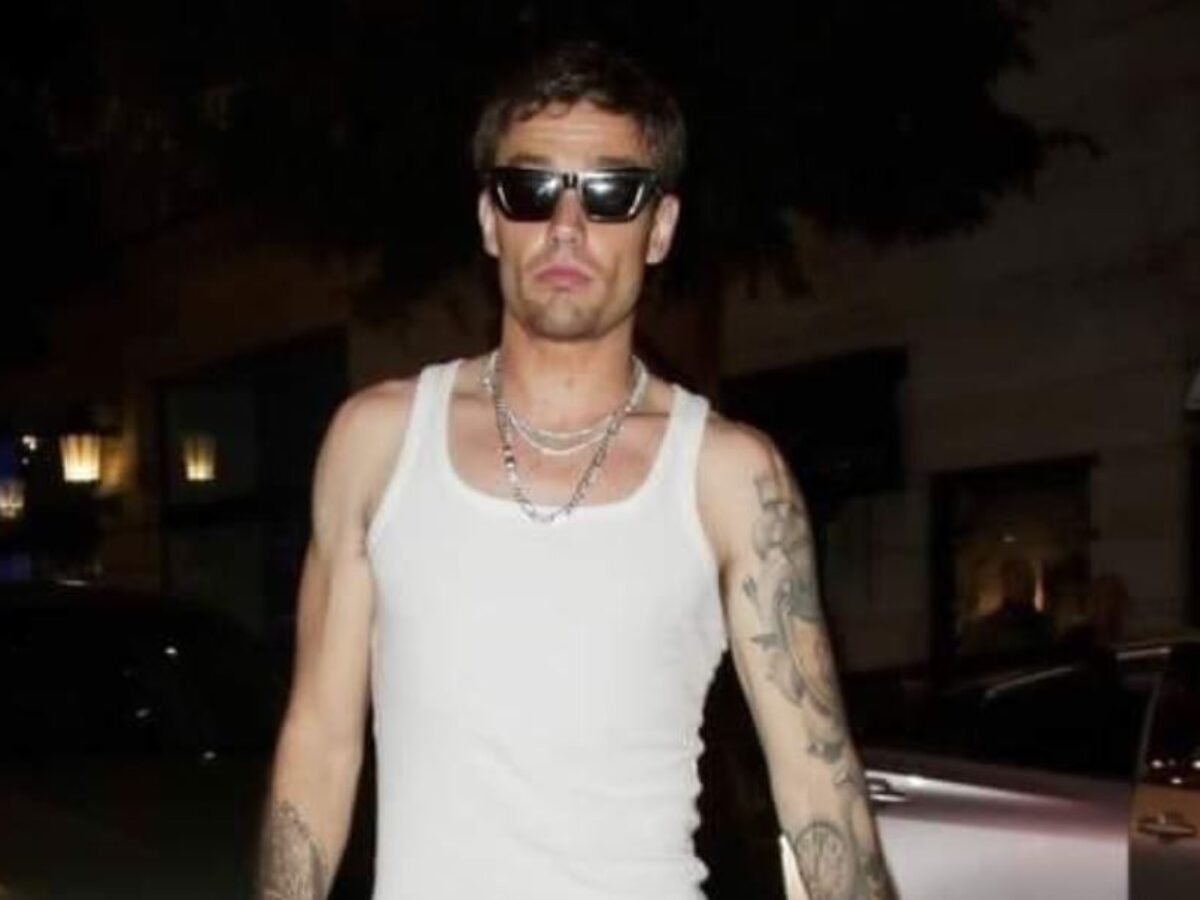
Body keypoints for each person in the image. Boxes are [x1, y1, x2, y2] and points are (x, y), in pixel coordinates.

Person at [257, 42, 896, 900]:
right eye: (531, 190)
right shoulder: (375, 444)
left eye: (609, 193)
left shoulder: (732, 479)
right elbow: (319, 743)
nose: (566, 225)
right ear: (491, 219)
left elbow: (818, 785)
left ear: (659, 227)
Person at [958, 555, 1054, 665]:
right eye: (1018, 578)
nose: (1028, 584)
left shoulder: (1046, 623)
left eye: (1031, 578)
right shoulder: (985, 629)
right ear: (1006, 585)